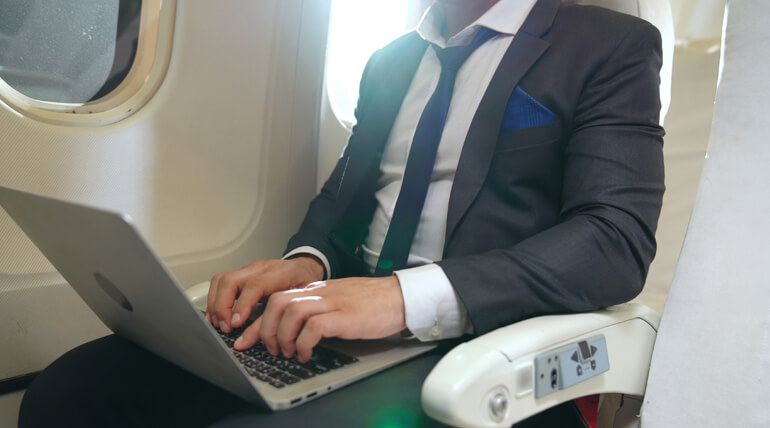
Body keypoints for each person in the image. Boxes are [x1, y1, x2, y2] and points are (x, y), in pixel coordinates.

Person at [19, 0, 664, 426]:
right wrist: (306, 262)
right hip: (347, 331)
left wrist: (402, 298)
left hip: (480, 346)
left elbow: (614, 240)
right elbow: (342, 203)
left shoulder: (607, 47)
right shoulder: (391, 63)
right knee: (70, 393)